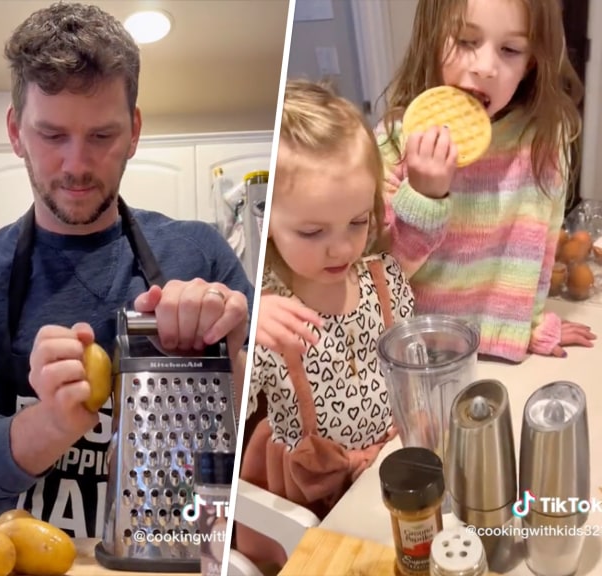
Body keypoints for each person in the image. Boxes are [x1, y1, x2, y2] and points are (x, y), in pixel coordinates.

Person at [0, 2, 254, 538]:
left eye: (101, 136)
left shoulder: (200, 255)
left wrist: (233, 355)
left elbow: (255, 437)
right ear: (16, 133)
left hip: (173, 563)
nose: (77, 165)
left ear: (133, 131)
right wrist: (51, 423)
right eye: (52, 136)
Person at [236, 80, 415, 569]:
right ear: (268, 220)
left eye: (358, 222)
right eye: (313, 232)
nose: (342, 249)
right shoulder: (270, 316)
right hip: (304, 507)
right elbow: (224, 420)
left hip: (390, 487)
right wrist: (248, 328)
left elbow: (416, 374)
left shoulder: (386, 282)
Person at [377, 0, 595, 362]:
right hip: (416, 357)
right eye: (465, 41)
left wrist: (531, 323)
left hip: (501, 356)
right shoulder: (395, 141)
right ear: (431, 37)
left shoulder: (544, 142)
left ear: (531, 63)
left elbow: (539, 249)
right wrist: (423, 196)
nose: (485, 67)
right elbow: (381, 275)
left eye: (511, 49)